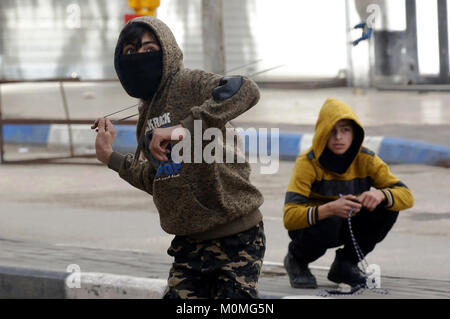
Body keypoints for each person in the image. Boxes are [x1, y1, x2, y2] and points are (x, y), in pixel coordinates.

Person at [91, 16, 265, 299]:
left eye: (149, 50)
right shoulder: (145, 115)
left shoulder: (190, 82)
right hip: (189, 245)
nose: (139, 58)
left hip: (237, 237)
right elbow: (159, 178)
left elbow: (245, 89)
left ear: (167, 51)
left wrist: (184, 127)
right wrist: (111, 157)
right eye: (130, 52)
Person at [283, 97, 414, 288]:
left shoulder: (366, 159)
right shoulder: (308, 162)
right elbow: (289, 217)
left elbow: (407, 196)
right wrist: (328, 209)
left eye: (345, 130)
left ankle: (346, 263)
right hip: (314, 227)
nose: (338, 137)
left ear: (354, 133)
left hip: (348, 223)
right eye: (332, 131)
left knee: (387, 208)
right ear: (322, 134)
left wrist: (382, 195)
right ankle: (296, 260)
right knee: (331, 220)